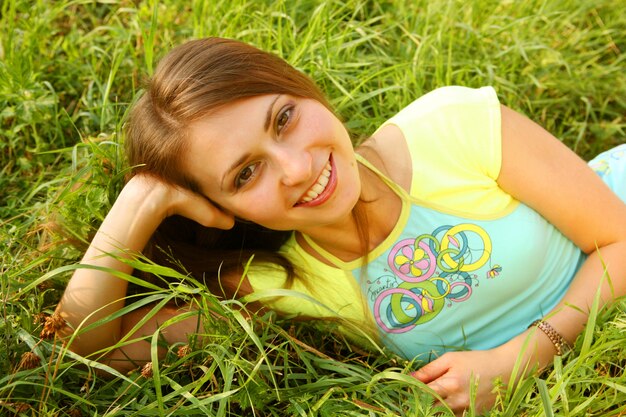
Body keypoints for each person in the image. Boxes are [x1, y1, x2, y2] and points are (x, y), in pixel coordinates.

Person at [55, 37, 626, 414]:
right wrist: (139, 203)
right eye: (245, 173)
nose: (299, 168)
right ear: (220, 208)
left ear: (302, 87)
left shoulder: (451, 128)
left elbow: (619, 239)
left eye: (284, 118)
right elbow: (82, 350)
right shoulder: (280, 283)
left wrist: (520, 358)